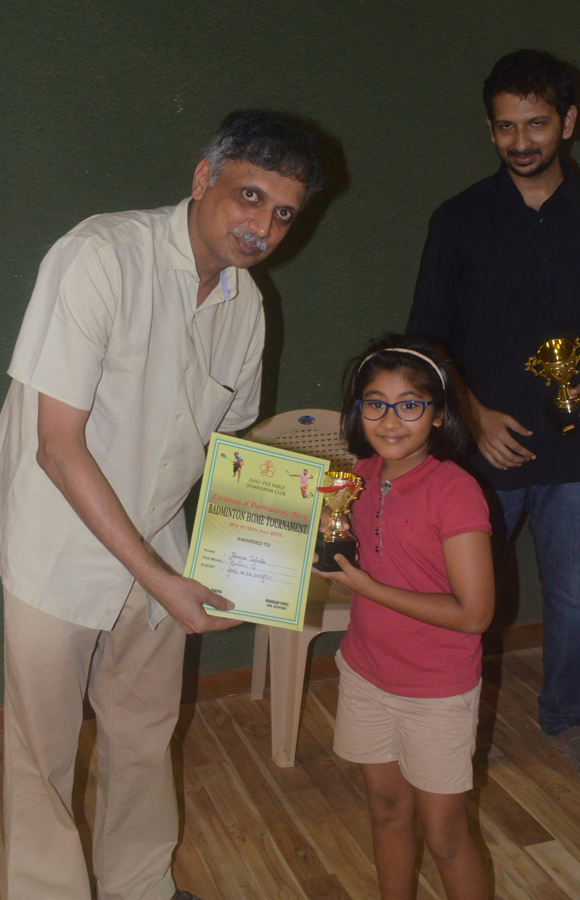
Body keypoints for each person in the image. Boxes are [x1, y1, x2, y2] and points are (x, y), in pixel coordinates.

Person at [0, 109, 323, 900]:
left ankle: (141, 887)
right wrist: (162, 578)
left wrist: (274, 541)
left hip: (160, 542)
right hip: (55, 544)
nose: (263, 228)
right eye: (249, 196)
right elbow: (57, 447)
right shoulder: (99, 256)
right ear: (203, 179)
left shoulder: (246, 307)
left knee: (144, 734)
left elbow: (231, 449)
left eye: (283, 214)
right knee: (43, 755)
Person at [407, 49, 580, 770]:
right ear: (489, 129)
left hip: (575, 454)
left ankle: (566, 718)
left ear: (568, 121)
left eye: (535, 123)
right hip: (480, 454)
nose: (520, 141)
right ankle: (437, 720)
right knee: (455, 598)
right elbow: (425, 340)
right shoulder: (459, 220)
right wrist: (474, 415)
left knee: (575, 599)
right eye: (505, 126)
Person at [315, 335, 494, 900]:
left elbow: (474, 614)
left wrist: (367, 587)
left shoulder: (455, 491)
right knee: (386, 810)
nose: (390, 420)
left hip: (436, 691)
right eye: (375, 403)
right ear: (358, 410)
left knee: (445, 835)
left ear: (438, 414)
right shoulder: (355, 479)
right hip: (366, 674)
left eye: (410, 404)